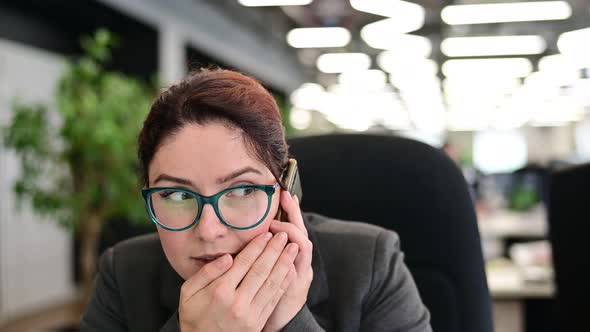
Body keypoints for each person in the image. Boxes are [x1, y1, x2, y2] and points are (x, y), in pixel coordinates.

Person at [81, 68, 432, 332]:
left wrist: (291, 323)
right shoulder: (123, 274)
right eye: (176, 194)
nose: (209, 229)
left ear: (285, 191)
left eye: (241, 190)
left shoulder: (370, 264)